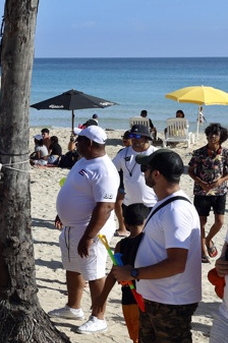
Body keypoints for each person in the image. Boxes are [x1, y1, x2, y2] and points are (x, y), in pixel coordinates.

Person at [112, 149, 200, 343]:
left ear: (156, 174)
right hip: (156, 298)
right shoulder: (165, 204)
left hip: (171, 302)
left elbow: (177, 263)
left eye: (146, 168)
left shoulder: (177, 210)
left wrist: (133, 273)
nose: (143, 173)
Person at [49, 125, 119, 334]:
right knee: (73, 267)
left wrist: (89, 237)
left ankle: (99, 316)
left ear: (89, 143)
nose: (76, 143)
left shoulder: (104, 169)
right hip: (72, 227)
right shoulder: (83, 160)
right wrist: (62, 211)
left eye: (79, 140)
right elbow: (74, 189)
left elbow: (106, 206)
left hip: (91, 230)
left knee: (95, 272)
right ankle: (73, 307)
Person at [91, 203, 150, 343]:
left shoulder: (120, 245)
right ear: (146, 222)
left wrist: (102, 297)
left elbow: (113, 273)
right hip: (148, 297)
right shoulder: (149, 242)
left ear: (126, 223)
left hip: (128, 298)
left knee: (136, 336)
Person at [188, 123, 228, 262]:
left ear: (221, 137)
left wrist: (221, 180)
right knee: (201, 222)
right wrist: (201, 183)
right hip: (201, 192)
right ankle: (203, 251)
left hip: (220, 192)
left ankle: (208, 240)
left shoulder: (225, 153)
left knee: (220, 221)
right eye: (210, 134)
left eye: (215, 134)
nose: (212, 136)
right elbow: (190, 171)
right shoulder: (199, 153)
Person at [112, 124, 157, 241]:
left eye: (138, 136)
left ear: (146, 137)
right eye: (132, 135)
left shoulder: (156, 154)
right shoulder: (123, 154)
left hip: (151, 204)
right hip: (130, 204)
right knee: (134, 237)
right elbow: (109, 171)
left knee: (150, 237)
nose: (134, 139)